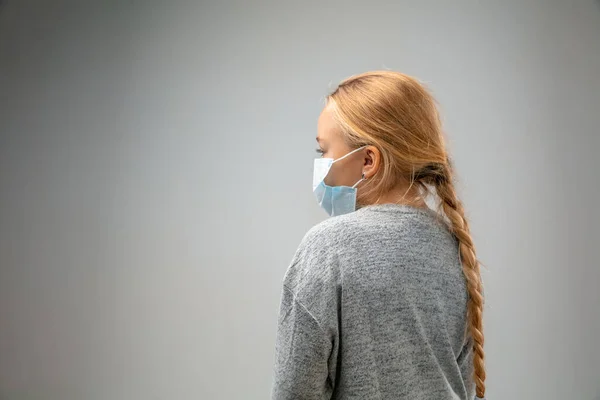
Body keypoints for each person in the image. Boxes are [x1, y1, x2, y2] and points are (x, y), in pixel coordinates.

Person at [271, 71, 486, 400]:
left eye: (323, 152)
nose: (320, 164)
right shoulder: (455, 247)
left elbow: (295, 391)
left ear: (368, 160)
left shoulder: (328, 248)